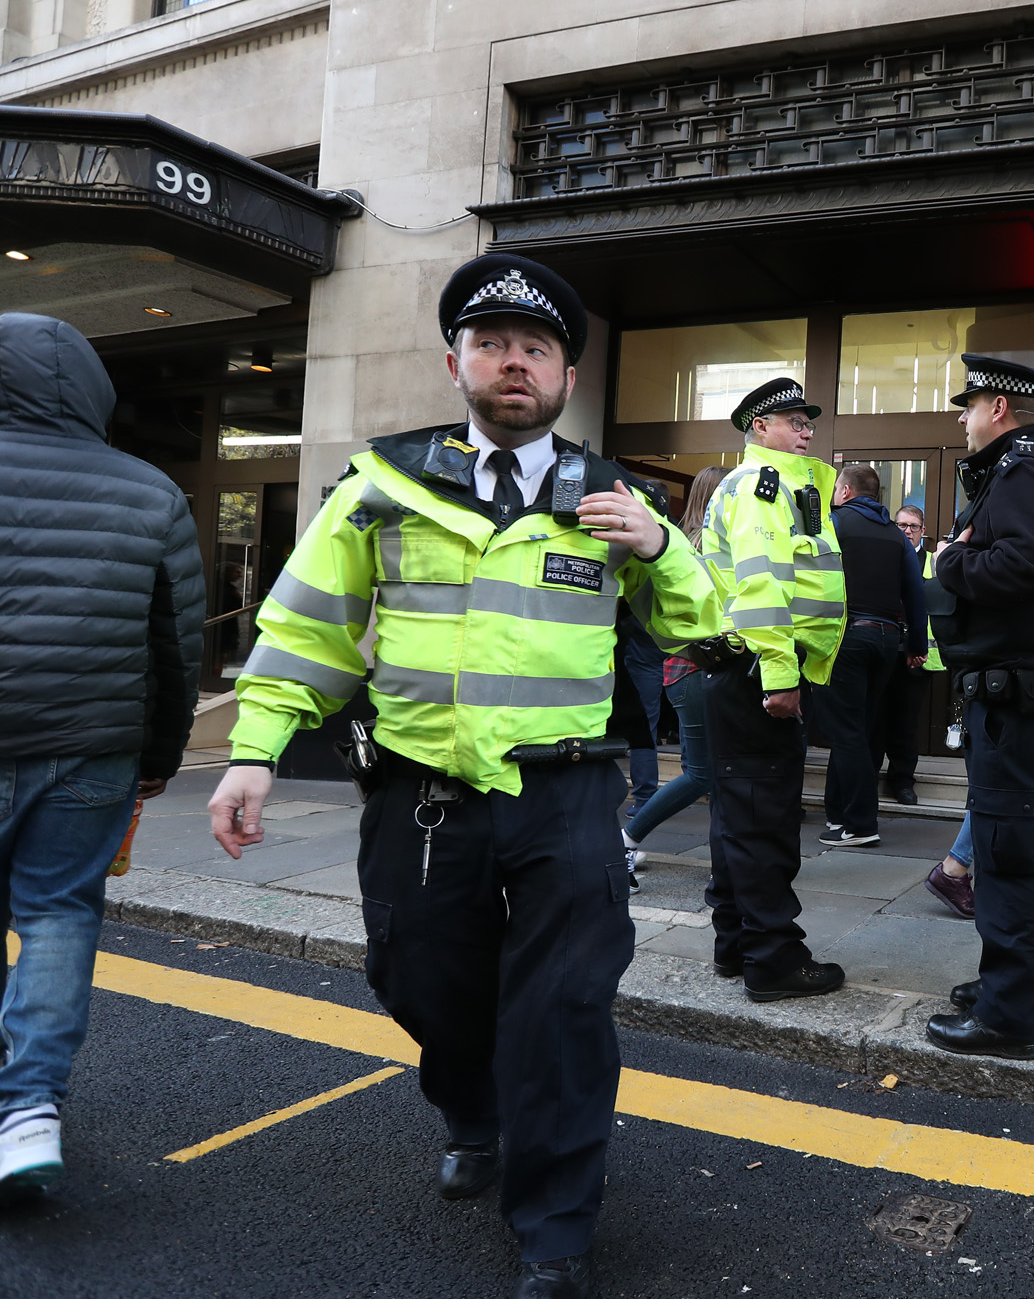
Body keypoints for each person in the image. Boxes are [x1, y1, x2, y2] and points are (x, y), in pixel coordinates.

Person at [207, 254, 722, 1298]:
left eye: (536, 348)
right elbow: (309, 627)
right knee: (418, 980)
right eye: (492, 344)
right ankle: (473, 1108)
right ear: (457, 363)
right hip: (422, 794)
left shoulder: (611, 496)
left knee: (565, 1007)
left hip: (568, 793)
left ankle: (555, 1230)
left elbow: (697, 627)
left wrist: (662, 545)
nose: (514, 362)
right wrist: (254, 752)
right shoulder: (384, 481)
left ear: (567, 376)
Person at [0, 313, 204, 1200]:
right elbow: (176, 641)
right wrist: (159, 754)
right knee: (56, 914)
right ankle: (28, 1110)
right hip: (93, 743)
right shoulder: (150, 490)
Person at [922, 355, 1034, 1061]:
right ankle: (1015, 984)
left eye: (967, 407)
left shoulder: (1021, 474)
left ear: (996, 406)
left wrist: (949, 561)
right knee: (1013, 848)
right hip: (1024, 697)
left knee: (1007, 857)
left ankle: (1008, 1017)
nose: (961, 420)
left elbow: (1025, 567)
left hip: (1016, 703)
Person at [700, 378, 848, 1004]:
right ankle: (773, 959)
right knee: (764, 818)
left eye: (808, 420)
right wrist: (782, 680)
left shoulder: (787, 486)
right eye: (791, 419)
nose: (806, 428)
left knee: (740, 815)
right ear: (759, 428)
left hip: (751, 669)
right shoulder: (764, 487)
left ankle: (737, 943)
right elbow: (761, 587)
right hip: (762, 672)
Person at [621, 465, 729, 863]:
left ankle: (726, 861)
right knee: (704, 772)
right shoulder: (703, 545)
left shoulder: (681, 541)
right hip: (697, 668)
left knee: (716, 773)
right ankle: (627, 840)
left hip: (688, 669)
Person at [818, 464, 927, 847]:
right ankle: (838, 815)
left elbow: (813, 579)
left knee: (846, 732)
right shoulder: (895, 536)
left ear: (846, 491)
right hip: (887, 640)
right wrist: (916, 646)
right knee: (859, 729)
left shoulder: (833, 524)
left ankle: (860, 824)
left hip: (845, 637)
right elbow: (915, 591)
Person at [877, 503, 940, 808]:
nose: (907, 532)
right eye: (901, 526)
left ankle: (902, 782)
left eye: (912, 527)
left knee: (907, 723)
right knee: (876, 718)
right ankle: (869, 775)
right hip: (885, 649)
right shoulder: (885, 557)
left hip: (917, 655)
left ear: (922, 531)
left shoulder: (933, 563)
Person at [618, 608, 666, 816]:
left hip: (643, 635)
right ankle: (690, 786)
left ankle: (645, 800)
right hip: (682, 639)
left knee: (646, 725)